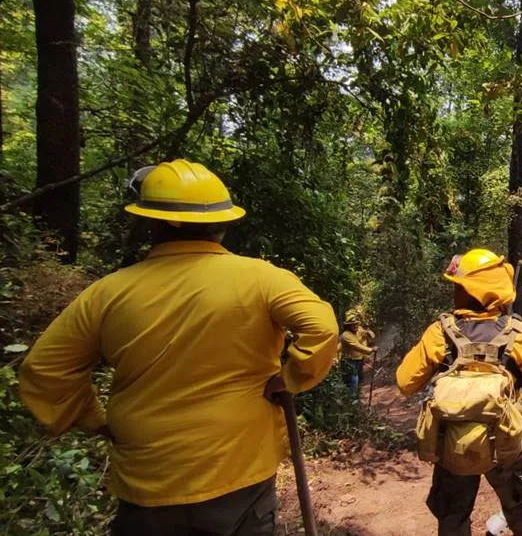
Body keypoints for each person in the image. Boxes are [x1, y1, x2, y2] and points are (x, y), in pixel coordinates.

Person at [18, 159, 339, 536]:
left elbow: (45, 370)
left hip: (148, 481)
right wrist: (289, 379)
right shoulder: (262, 278)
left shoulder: (106, 294)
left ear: (152, 222)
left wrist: (98, 420)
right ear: (222, 223)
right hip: (241, 468)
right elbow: (322, 328)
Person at [396, 248, 522, 536]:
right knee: (519, 504)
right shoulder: (518, 332)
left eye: (459, 286)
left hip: (452, 444)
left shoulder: (439, 332)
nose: (454, 292)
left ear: (475, 291)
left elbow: (405, 382)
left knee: (452, 515)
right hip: (505, 440)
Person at [340, 314, 376, 394]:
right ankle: (352, 397)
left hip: (359, 359)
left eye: (356, 324)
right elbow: (357, 346)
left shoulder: (358, 329)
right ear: (348, 326)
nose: (355, 326)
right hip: (349, 361)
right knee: (353, 379)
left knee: (360, 378)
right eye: (353, 324)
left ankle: (356, 396)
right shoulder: (346, 336)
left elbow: (369, 335)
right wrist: (371, 350)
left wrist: (369, 333)